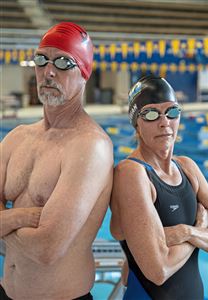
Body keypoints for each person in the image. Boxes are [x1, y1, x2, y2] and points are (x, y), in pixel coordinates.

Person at [0, 22, 114, 300]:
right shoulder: (17, 137)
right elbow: (38, 240)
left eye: (64, 62)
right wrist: (23, 217)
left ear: (84, 72)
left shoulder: (91, 146)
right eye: (42, 59)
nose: (48, 71)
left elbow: (47, 249)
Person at [110, 75, 208, 300]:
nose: (164, 122)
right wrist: (199, 228)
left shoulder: (188, 167)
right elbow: (159, 270)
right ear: (136, 123)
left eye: (172, 112)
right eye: (150, 114)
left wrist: (187, 232)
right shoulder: (132, 173)